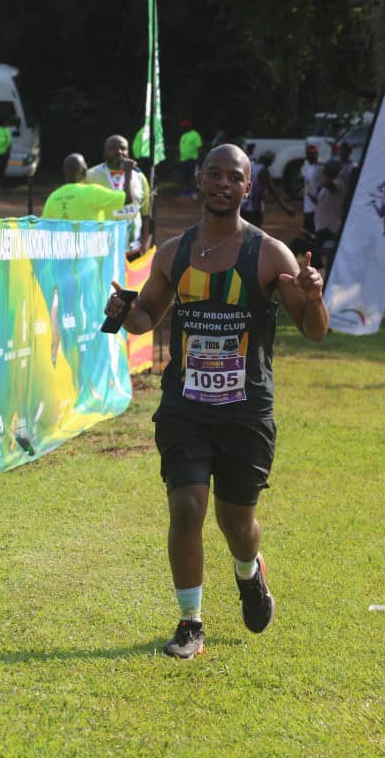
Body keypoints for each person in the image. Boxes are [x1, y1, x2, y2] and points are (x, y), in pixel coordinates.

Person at [103, 144, 329, 659]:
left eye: (236, 177)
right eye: (215, 175)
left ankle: (250, 572)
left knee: (236, 522)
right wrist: (122, 310)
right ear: (200, 181)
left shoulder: (270, 254)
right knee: (186, 506)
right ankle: (190, 622)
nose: (224, 184)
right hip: (186, 405)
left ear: (248, 188)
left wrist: (314, 295)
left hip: (246, 409)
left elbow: (313, 331)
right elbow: (146, 318)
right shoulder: (175, 252)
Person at [86, 135, 152, 257]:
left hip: (133, 250)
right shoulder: (91, 176)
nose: (119, 152)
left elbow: (146, 214)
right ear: (104, 153)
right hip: (102, 251)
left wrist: (145, 242)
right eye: (113, 148)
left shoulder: (140, 177)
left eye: (123, 148)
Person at [42, 153, 130, 221]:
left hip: (63, 244)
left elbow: (44, 225)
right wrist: (128, 173)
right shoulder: (93, 192)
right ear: (84, 172)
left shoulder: (52, 197)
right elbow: (127, 199)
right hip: (93, 244)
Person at [311, 159, 346, 279]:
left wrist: (323, 177)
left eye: (327, 170)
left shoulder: (338, 182)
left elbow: (333, 187)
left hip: (330, 226)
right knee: (320, 257)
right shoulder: (327, 186)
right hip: (321, 225)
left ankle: (328, 280)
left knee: (325, 256)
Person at [240, 151, 292, 227]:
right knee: (254, 234)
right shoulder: (263, 171)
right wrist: (285, 208)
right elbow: (273, 191)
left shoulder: (250, 165)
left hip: (243, 206)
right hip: (254, 209)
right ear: (268, 161)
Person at [178, 119, 203, 198]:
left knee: (192, 176)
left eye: (185, 126)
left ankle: (192, 192)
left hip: (192, 159)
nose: (183, 127)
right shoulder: (183, 136)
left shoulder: (195, 134)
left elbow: (199, 147)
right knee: (184, 176)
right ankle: (185, 192)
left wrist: (199, 158)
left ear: (189, 126)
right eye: (182, 126)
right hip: (183, 160)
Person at [301, 144, 321, 233]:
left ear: (317, 154)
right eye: (309, 154)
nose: (311, 156)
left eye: (313, 153)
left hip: (315, 206)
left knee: (313, 231)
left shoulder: (320, 168)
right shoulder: (307, 167)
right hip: (307, 205)